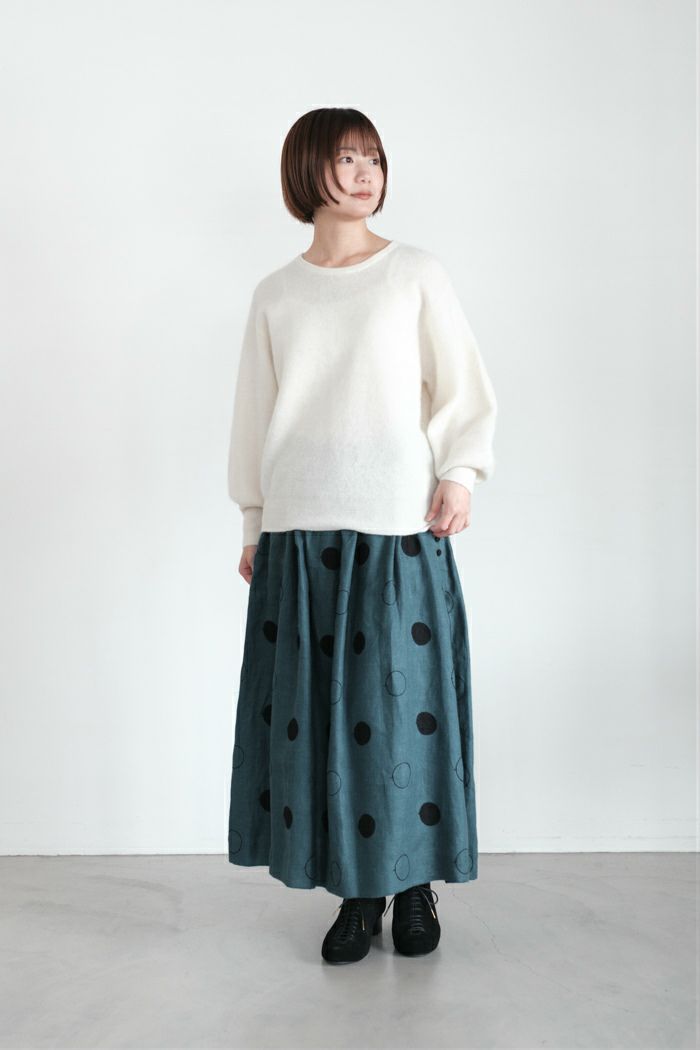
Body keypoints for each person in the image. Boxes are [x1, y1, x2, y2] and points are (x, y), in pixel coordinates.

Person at [226, 107, 498, 965]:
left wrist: (460, 472)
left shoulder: (414, 273)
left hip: (395, 527)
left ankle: (413, 888)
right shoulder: (277, 294)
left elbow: (461, 385)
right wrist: (255, 521)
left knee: (400, 715)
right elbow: (254, 416)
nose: (364, 173)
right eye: (345, 158)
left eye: (374, 157)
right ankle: (357, 894)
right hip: (300, 533)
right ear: (307, 170)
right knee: (321, 724)